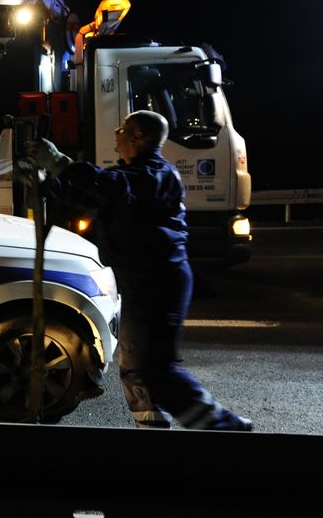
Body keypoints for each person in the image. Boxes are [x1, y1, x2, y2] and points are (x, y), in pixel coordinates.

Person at [29, 110, 253, 431]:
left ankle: (224, 427)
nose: (116, 133)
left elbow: (112, 187)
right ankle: (151, 429)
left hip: (159, 282)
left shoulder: (157, 175)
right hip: (140, 281)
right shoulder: (135, 176)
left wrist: (59, 161)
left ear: (138, 137)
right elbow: (88, 195)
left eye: (123, 128)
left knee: (157, 371)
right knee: (134, 367)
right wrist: (48, 182)